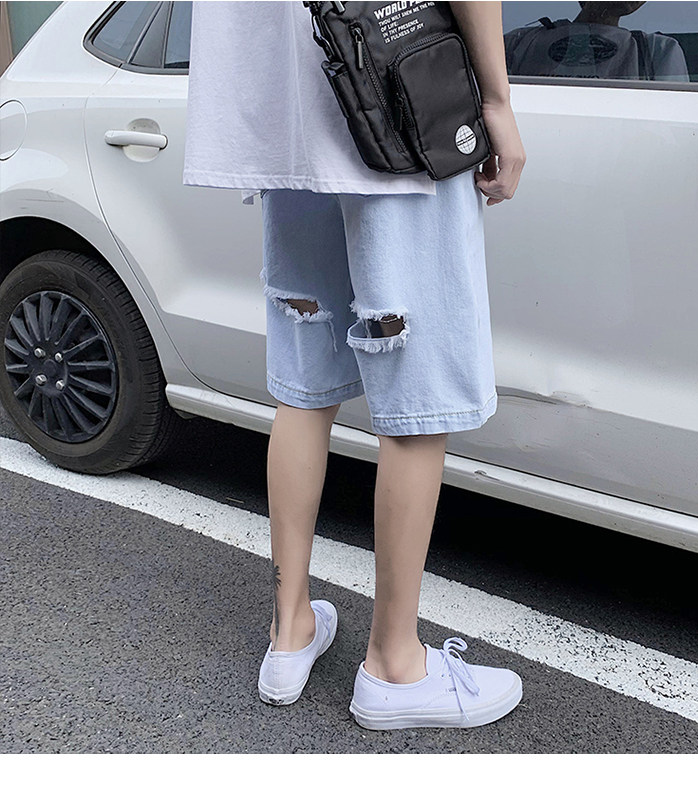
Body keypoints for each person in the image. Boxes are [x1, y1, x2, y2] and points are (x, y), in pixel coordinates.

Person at [183, 1, 526, 730]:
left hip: (286, 121)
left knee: (304, 388)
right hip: (397, 97)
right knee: (416, 401)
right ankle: (395, 665)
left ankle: (290, 631)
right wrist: (496, 101)